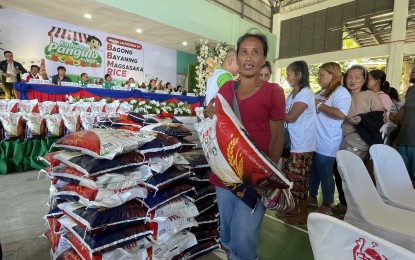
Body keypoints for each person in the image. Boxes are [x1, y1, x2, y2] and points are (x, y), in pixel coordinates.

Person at [205, 30, 285, 260]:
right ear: (237, 58)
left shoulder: (273, 92)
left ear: (263, 59)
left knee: (245, 235)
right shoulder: (226, 89)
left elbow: (278, 136)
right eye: (244, 52)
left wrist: (267, 177)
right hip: (225, 175)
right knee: (228, 231)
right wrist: (209, 112)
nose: (249, 58)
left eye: (255, 52)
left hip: (255, 178)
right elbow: (212, 115)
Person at [334, 65, 384, 213]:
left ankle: (355, 206)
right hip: (340, 137)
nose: (353, 80)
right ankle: (345, 203)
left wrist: (362, 119)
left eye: (357, 77)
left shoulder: (370, 96)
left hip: (359, 139)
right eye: (349, 77)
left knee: (349, 170)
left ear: (364, 79)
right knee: (338, 170)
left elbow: (382, 117)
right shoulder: (342, 94)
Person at [307, 62, 351, 216]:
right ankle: (312, 196)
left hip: (328, 140)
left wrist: (318, 105)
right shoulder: (322, 91)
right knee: (314, 170)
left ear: (333, 75)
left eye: (322, 75)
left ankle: (327, 203)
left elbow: (340, 114)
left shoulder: (341, 92)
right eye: (318, 74)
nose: (318, 78)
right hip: (315, 139)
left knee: (325, 171)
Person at [279, 61, 315, 225]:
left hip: (301, 145)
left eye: (290, 74)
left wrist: (270, 109)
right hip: (291, 143)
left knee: (300, 180)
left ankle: (303, 214)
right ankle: (293, 209)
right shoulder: (292, 94)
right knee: (290, 178)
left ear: (299, 75)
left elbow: (291, 117)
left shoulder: (306, 93)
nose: (287, 77)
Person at [390, 68, 415, 186]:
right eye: (413, 70)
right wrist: (398, 138)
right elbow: (403, 118)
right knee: (404, 179)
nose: (412, 72)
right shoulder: (410, 90)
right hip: (404, 141)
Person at [368, 70, 393, 142]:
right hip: (369, 131)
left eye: (369, 79)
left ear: (377, 81)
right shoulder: (369, 95)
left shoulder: (384, 97)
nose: (365, 81)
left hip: (378, 132)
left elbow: (380, 116)